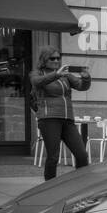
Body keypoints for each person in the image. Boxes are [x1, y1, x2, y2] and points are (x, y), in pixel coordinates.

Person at [29, 46, 90, 181]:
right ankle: (49, 186)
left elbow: (81, 86)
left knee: (82, 155)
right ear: (45, 59)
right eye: (52, 58)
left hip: (67, 119)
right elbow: (37, 82)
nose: (56, 60)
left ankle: (82, 184)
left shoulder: (66, 75)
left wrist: (86, 78)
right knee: (53, 156)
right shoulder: (37, 73)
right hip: (48, 118)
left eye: (58, 58)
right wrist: (56, 74)